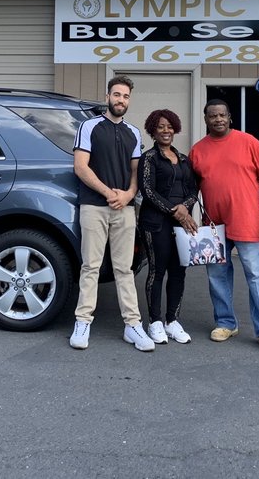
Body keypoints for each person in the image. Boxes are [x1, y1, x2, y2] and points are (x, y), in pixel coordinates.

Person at [189, 99, 259, 355]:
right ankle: (225, 323)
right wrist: (188, 219)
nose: (218, 119)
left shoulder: (249, 142)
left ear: (230, 117)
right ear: (205, 119)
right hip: (213, 226)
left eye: (222, 115)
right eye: (212, 116)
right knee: (217, 276)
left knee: (257, 274)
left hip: (247, 220)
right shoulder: (198, 150)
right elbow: (191, 189)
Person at [69, 75, 155, 352]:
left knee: (125, 269)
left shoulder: (133, 132)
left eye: (126, 96)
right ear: (108, 97)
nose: (121, 100)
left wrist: (129, 194)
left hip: (125, 210)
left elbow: (135, 171)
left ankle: (133, 325)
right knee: (90, 267)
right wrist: (108, 192)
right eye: (117, 95)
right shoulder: (89, 126)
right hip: (94, 206)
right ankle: (83, 322)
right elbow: (81, 167)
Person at [137, 108, 199, 344]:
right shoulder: (150, 158)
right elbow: (147, 191)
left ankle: (172, 321)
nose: (166, 130)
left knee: (179, 271)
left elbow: (193, 190)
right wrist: (176, 211)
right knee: (157, 270)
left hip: (182, 225)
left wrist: (184, 208)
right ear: (153, 130)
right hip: (155, 224)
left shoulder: (184, 159)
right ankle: (154, 322)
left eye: (169, 126)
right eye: (160, 126)